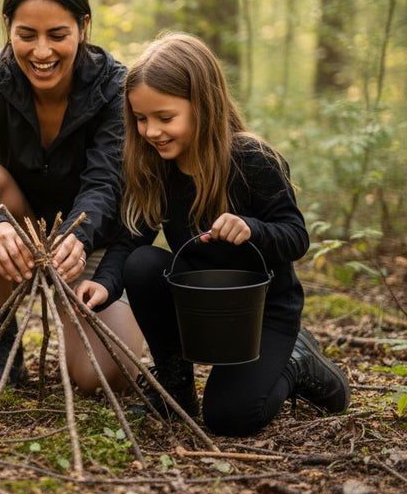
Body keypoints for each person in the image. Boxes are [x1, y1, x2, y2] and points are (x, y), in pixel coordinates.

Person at [75, 32, 350, 435]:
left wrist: (251, 229)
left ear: (203, 106)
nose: (151, 131)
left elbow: (295, 237)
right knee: (142, 263)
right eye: (141, 119)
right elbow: (133, 237)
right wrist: (104, 282)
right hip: (201, 303)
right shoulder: (156, 165)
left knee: (230, 417)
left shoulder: (251, 160)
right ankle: (175, 386)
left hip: (262, 311)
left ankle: (297, 359)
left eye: (165, 118)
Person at [0, 0, 143, 391]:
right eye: (27, 35)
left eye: (58, 35)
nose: (42, 52)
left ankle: (84, 317)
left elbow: (108, 181)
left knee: (102, 377)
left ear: (83, 27)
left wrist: (79, 236)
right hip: (18, 231)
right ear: (7, 26)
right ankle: (2, 346)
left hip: (89, 242)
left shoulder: (114, 86)